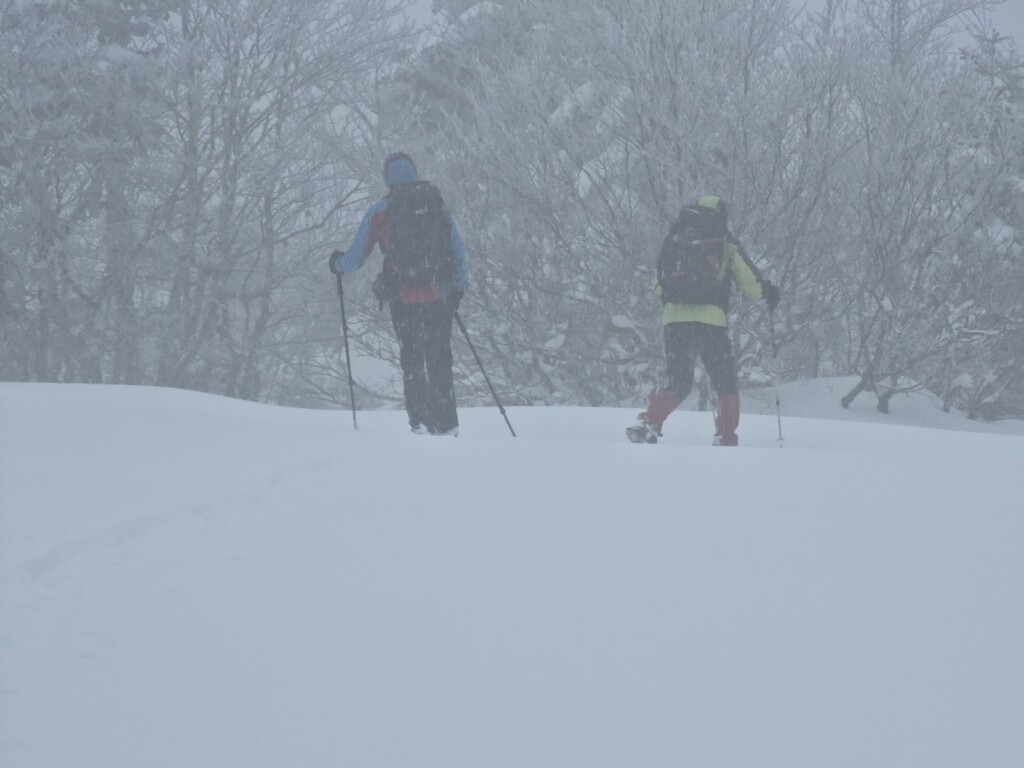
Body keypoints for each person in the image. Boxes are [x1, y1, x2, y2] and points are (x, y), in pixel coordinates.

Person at [330, 152, 469, 436]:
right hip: (439, 296)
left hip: (404, 299)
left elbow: (357, 256)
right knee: (440, 357)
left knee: (412, 358)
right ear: (414, 172)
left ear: (387, 177)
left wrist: (338, 265)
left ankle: (419, 421)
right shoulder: (437, 205)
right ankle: (446, 424)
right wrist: (458, 288)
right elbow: (458, 251)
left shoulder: (382, 211)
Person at [626, 195, 779, 446]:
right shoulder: (724, 240)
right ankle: (725, 435)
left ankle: (649, 423)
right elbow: (750, 283)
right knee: (724, 381)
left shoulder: (674, 238)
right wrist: (768, 293)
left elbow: (658, 284)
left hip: (674, 321)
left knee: (679, 380)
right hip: (710, 322)